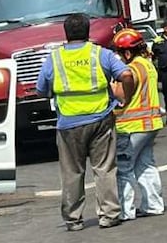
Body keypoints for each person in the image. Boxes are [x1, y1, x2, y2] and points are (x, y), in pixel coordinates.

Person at [36, 14, 136, 231]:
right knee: (104, 169)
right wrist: (125, 99)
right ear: (87, 31)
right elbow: (127, 75)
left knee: (72, 172)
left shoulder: (54, 59)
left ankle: (73, 219)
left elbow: (41, 90)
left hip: (69, 124)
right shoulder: (101, 54)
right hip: (101, 119)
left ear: (66, 33)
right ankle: (109, 215)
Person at [109, 28, 166, 220]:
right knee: (145, 164)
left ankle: (125, 211)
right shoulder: (147, 65)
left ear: (126, 52)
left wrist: (112, 84)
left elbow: (122, 94)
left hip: (132, 126)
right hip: (151, 123)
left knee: (124, 167)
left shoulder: (131, 69)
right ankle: (153, 205)